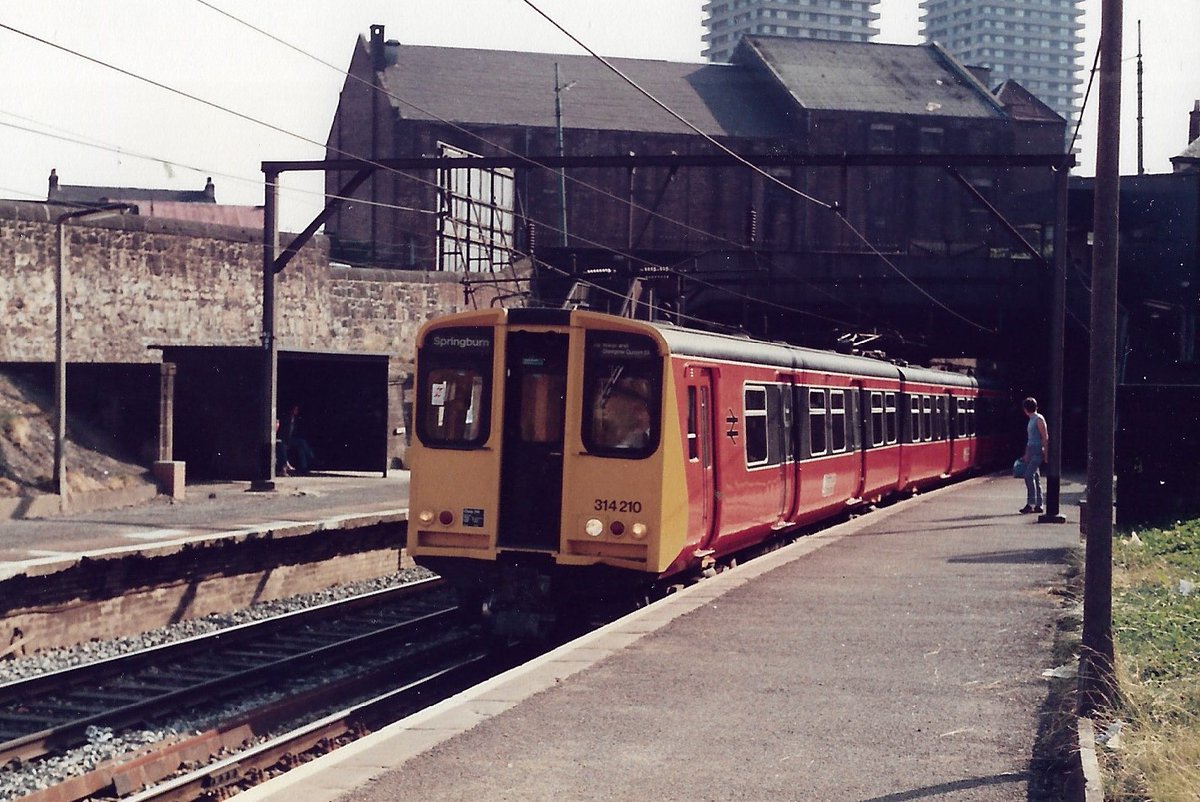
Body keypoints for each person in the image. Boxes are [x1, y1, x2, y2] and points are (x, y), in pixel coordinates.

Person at [1020, 396, 1048, 514]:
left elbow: (1045, 437)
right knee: (1036, 478)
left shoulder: (1038, 419)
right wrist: (1027, 454)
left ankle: (1031, 504)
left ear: (1025, 409)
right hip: (1032, 451)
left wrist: (1046, 454)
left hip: (1037, 451)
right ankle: (1038, 504)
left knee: (1028, 476)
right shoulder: (1032, 419)